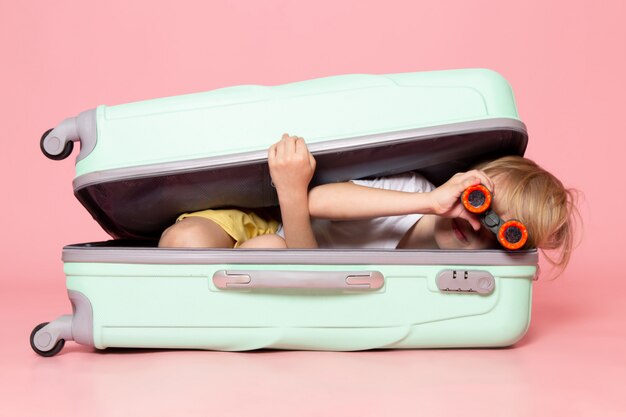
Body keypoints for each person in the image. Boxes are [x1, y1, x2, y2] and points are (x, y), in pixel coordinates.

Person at [159, 134, 579, 272]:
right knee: (184, 243)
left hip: (286, 254)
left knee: (267, 253)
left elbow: (308, 272)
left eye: (501, 230)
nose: (475, 222)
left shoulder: (446, 275)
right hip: (266, 219)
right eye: (479, 201)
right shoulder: (414, 192)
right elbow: (316, 200)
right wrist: (431, 202)